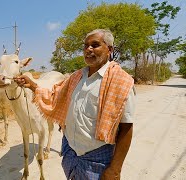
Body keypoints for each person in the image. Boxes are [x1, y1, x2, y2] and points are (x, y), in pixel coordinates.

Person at [14, 29, 135, 180]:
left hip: (97, 158)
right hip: (70, 152)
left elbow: (126, 128)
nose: (88, 49)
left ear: (109, 49)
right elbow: (55, 96)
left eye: (95, 45)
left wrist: (115, 170)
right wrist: (32, 85)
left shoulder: (121, 81)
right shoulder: (76, 76)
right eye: (85, 46)